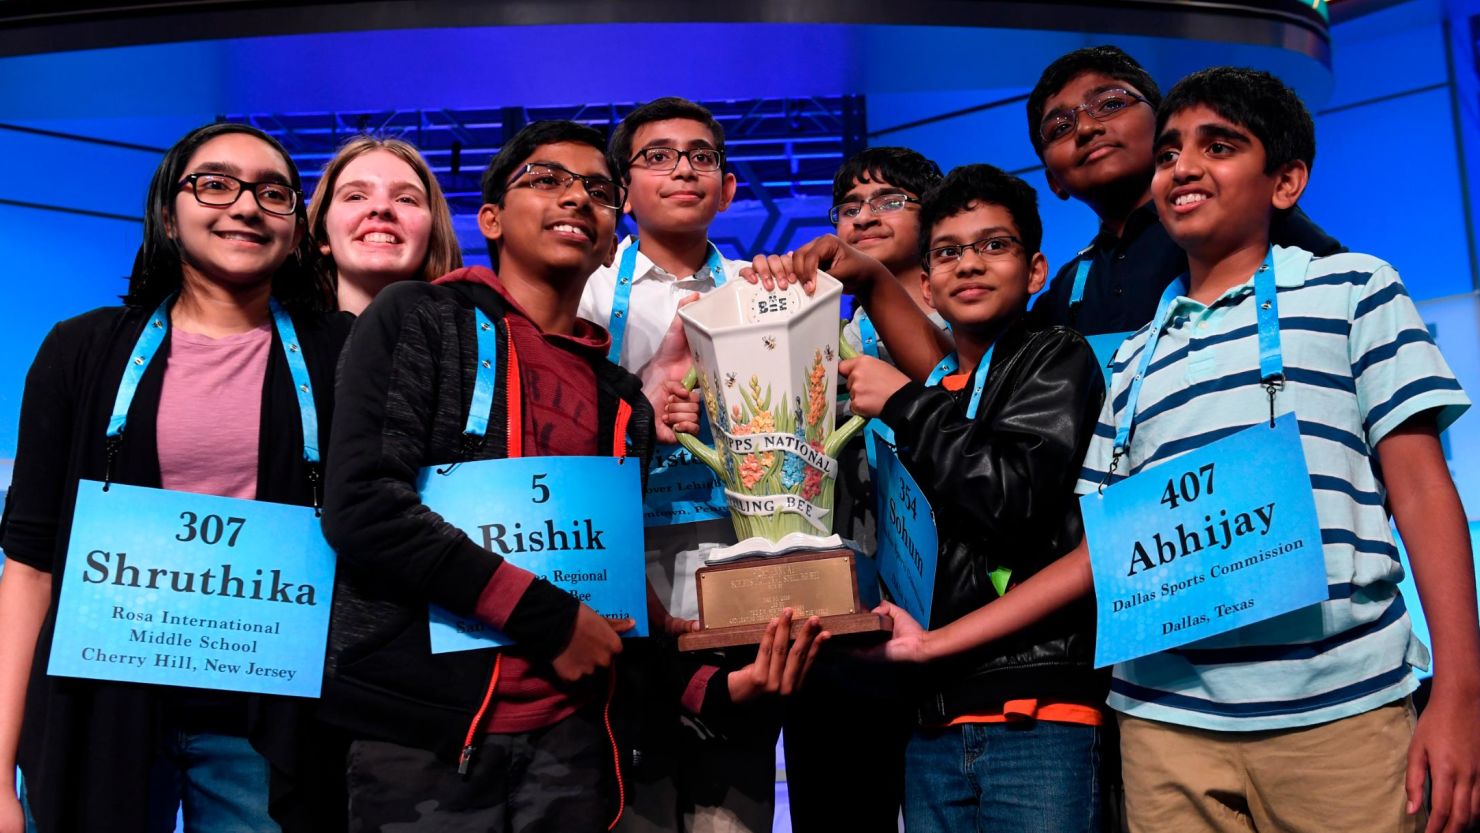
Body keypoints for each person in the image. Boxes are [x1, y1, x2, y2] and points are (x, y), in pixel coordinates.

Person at [879, 67, 1480, 833]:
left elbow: (1424, 493)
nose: (1184, 167)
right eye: (1170, 154)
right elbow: (1104, 544)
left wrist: (1461, 692)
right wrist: (934, 643)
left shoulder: (1353, 289)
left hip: (1341, 712)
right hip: (1165, 724)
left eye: (1219, 146)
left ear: (1286, 180)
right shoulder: (1127, 357)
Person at [319, 119, 823, 832]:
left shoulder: (622, 397)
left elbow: (607, 586)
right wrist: (547, 619)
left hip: (576, 743)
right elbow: (362, 505)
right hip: (430, 736)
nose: (577, 198)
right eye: (547, 179)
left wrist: (713, 686)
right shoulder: (421, 318)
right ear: (490, 217)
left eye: (596, 189)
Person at [0, 122, 349, 833]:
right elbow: (30, 565)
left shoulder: (341, 355)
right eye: (216, 183)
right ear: (168, 212)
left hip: (266, 721)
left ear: (295, 224)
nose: (246, 206)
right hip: (101, 706)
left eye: (273, 192)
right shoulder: (82, 350)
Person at [747, 163, 1106, 832]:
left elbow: (1012, 496)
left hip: (1033, 709)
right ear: (929, 283)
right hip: (935, 717)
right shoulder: (949, 382)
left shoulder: (1055, 354)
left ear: (1035, 271)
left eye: (993, 245)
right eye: (949, 253)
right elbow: (935, 370)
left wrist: (908, 403)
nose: (969, 264)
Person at [578, 97, 789, 833]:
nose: (684, 170)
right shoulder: (586, 295)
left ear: (729, 189)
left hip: (736, 583)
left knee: (730, 814)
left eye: (702, 156)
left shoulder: (769, 297)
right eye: (658, 156)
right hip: (618, 588)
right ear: (622, 189)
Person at [1024, 45, 1342, 337]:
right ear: (1053, 181)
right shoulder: (1067, 287)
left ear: (1165, 127)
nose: (1087, 128)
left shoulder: (1239, 218)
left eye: (1111, 104)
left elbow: (1344, 291)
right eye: (1060, 127)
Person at [306, 135, 462, 314]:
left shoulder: (483, 338)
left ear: (432, 233)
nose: (381, 207)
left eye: (406, 199)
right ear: (322, 235)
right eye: (356, 197)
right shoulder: (275, 339)